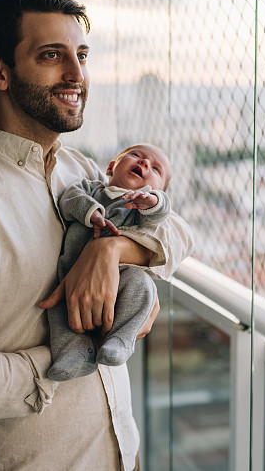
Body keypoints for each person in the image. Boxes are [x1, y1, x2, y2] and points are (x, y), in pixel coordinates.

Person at [0, 0, 193, 471]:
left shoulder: (81, 171)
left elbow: (178, 233)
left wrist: (113, 253)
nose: (77, 74)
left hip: (124, 454)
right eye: (53, 55)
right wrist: (70, 353)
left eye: (82, 54)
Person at [49, 143, 173, 380]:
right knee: (59, 309)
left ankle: (120, 340)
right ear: (110, 167)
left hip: (121, 275)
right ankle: (71, 353)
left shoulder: (140, 209)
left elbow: (164, 210)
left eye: (156, 169)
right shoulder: (92, 190)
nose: (145, 163)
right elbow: (69, 199)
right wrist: (91, 212)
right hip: (73, 273)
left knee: (143, 287)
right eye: (136, 155)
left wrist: (153, 202)